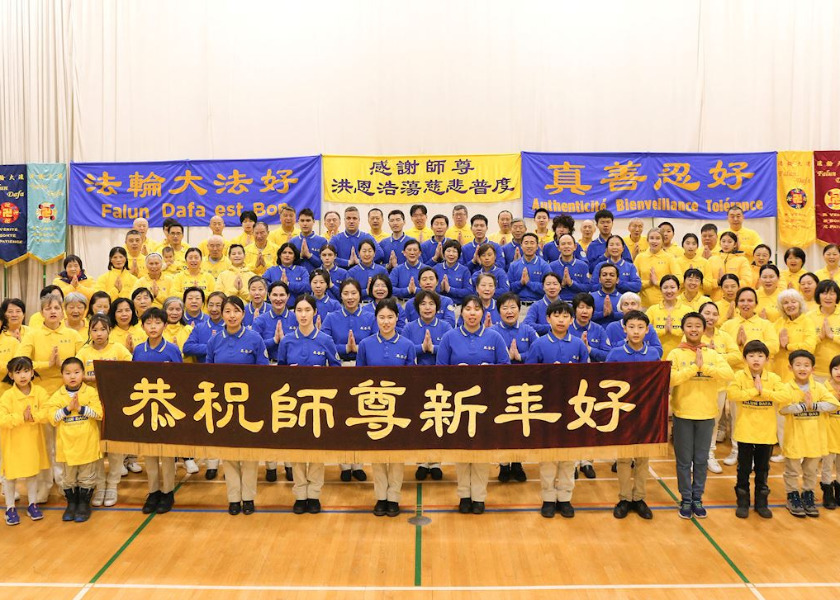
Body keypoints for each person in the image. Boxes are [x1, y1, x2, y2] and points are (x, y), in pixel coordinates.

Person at [437, 295, 510, 514]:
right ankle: (464, 495)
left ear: (483, 313)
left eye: (476, 309)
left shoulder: (494, 337)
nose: (471, 313)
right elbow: (439, 370)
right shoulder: (449, 337)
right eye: (467, 309)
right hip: (458, 404)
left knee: (481, 452)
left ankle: (479, 496)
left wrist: (490, 370)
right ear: (461, 313)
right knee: (462, 453)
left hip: (486, 403)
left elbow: (505, 367)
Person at [277, 294, 341, 514]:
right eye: (299, 311)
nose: (303, 315)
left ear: (315, 313)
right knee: (296, 451)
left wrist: (322, 374)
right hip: (293, 404)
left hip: (318, 404)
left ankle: (314, 494)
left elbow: (336, 369)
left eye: (307, 310)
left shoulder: (325, 340)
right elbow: (280, 372)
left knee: (315, 451)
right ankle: (300, 492)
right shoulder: (286, 340)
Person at [206, 296, 269, 516]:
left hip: (249, 405)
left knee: (249, 454)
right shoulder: (214, 340)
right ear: (221, 314)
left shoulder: (254, 338)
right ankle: (233, 498)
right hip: (223, 406)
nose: (232, 316)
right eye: (227, 311)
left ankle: (248, 497)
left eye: (236, 311)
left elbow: (263, 370)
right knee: (229, 454)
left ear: (243, 314)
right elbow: (208, 373)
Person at [668, 312, 734, 519]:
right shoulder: (675, 354)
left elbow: (728, 374)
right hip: (683, 413)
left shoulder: (712, 354)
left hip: (706, 415)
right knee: (684, 460)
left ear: (704, 329)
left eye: (698, 325)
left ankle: (698, 497)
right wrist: (693, 369)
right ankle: (685, 498)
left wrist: (703, 366)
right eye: (689, 325)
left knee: (701, 459)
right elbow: (670, 380)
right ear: (683, 329)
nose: (694, 329)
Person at [19, 293, 84, 502]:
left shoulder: (73, 335)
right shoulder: (33, 335)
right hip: (41, 396)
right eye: (48, 309)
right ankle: (45, 486)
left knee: (66, 442)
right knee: (46, 445)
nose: (53, 311)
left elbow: (81, 362)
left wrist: (65, 365)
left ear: (62, 311)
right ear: (41, 313)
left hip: (69, 395)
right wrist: (46, 364)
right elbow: (21, 362)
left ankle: (67, 485)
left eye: (57, 307)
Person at [527, 300, 588, 519]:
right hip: (547, 407)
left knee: (568, 456)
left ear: (572, 320)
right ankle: (548, 498)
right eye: (556, 316)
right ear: (548, 319)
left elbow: (586, 376)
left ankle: (565, 497)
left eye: (565, 317)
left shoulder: (579, 345)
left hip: (572, 408)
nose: (561, 320)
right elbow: (529, 376)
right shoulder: (539, 344)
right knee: (548, 456)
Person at [356, 298, 417, 517]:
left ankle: (394, 498)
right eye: (381, 317)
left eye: (390, 317)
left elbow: (412, 380)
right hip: (373, 408)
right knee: (378, 456)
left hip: (398, 409)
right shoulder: (365, 344)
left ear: (397, 318)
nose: (386, 321)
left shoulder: (407, 345)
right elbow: (359, 378)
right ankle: (380, 497)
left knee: (396, 457)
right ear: (376, 319)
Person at [606, 311, 662, 520]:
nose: (636, 331)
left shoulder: (653, 355)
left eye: (640, 327)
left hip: (646, 414)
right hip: (622, 413)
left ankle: (639, 497)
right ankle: (624, 498)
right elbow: (607, 384)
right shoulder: (615, 354)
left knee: (642, 459)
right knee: (623, 459)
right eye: (632, 327)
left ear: (647, 330)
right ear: (625, 329)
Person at [725, 341, 788, 518]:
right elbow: (732, 394)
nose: (756, 359)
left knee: (763, 469)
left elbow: (785, 395)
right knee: (743, 470)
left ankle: (761, 503)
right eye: (751, 355)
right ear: (745, 358)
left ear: (767, 359)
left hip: (766, 434)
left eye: (760, 356)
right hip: (745, 432)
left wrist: (764, 392)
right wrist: (754, 391)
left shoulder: (774, 378)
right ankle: (743, 502)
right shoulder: (739, 376)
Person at [76, 315, 131, 508]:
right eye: (95, 330)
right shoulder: (83, 352)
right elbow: (76, 376)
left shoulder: (118, 349)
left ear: (109, 331)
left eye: (102, 329)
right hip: (91, 407)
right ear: (89, 332)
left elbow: (130, 371)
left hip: (114, 404)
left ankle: (113, 486)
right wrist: (92, 379)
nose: (99, 334)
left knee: (115, 449)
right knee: (96, 449)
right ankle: (99, 486)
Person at [132, 307, 182, 515]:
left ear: (164, 325)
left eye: (157, 323)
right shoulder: (138, 350)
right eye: (149, 323)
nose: (153, 327)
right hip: (146, 408)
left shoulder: (172, 350)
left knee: (167, 453)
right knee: (150, 454)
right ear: (143, 326)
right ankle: (153, 491)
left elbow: (180, 379)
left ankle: (168, 491)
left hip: (167, 408)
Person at [780, 350, 839, 517]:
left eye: (806, 365)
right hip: (795, 438)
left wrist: (814, 405)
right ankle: (792, 496)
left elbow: (833, 404)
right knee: (792, 470)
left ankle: (808, 495)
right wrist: (804, 407)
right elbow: (783, 409)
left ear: (813, 369)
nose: (802, 368)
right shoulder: (786, 387)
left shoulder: (818, 388)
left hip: (814, 439)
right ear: (790, 367)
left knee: (811, 471)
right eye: (798, 365)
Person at [42, 357, 102, 523]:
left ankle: (83, 505)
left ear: (83, 373)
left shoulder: (90, 392)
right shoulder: (57, 396)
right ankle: (72, 504)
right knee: (68, 479)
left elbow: (99, 413)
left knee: (87, 477)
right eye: (68, 373)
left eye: (76, 372)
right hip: (67, 447)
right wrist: (68, 409)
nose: (72, 376)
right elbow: (52, 418)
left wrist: (81, 408)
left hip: (87, 445)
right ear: (62, 375)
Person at [403, 290, 451, 482]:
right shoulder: (409, 328)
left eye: (431, 304)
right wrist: (421, 349)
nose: (427, 307)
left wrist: (434, 349)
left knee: (438, 420)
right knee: (420, 421)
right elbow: (405, 349)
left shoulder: (446, 326)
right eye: (423, 304)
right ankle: (422, 462)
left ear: (437, 307)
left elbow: (449, 349)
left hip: (440, 379)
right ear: (417, 308)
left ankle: (437, 462)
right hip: (417, 379)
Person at [492, 292, 539, 484]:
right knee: (502, 426)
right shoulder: (493, 331)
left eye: (513, 307)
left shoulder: (528, 330)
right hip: (500, 386)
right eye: (505, 308)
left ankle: (518, 463)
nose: (509, 311)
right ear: (498, 312)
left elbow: (538, 353)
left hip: (523, 386)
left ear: (519, 310)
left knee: (520, 426)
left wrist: (520, 357)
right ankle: (503, 465)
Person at [697, 301, 741, 475]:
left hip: (720, 386)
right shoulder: (692, 334)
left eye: (714, 313)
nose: (711, 317)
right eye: (707, 313)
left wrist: (716, 355)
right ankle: (697, 455)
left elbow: (737, 355)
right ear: (699, 314)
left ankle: (709, 453)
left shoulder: (724, 335)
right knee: (700, 421)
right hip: (699, 385)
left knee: (714, 421)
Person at [646, 275, 692, 357]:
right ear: (660, 289)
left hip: (682, 356)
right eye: (665, 287)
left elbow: (693, 332)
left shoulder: (688, 310)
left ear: (678, 289)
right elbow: (644, 332)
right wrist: (664, 330)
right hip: (657, 356)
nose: (669, 291)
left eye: (672, 287)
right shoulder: (652, 310)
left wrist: (673, 331)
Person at [634, 228, 681, 308]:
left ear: (663, 241)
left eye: (658, 238)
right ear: (647, 240)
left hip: (665, 305)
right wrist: (648, 283)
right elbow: (634, 282)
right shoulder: (640, 257)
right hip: (643, 305)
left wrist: (658, 282)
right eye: (652, 238)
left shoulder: (669, 257)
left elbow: (679, 279)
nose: (654, 241)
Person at [253, 281, 298, 359]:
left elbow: (301, 343)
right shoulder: (260, 321)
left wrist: (285, 341)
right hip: (267, 365)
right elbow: (254, 345)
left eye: (282, 295)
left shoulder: (296, 319)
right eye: (275, 295)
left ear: (288, 296)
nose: (278, 299)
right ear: (269, 296)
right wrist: (274, 340)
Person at [706, 232, 752, 301]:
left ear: (735, 244)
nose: (726, 244)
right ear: (720, 243)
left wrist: (730, 285)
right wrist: (718, 282)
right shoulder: (712, 259)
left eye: (729, 242)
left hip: (736, 300)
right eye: (723, 241)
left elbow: (747, 282)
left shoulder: (742, 260)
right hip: (715, 301)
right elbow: (706, 283)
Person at [820, 356, 840, 509]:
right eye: (836, 368)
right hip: (828, 433)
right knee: (827, 465)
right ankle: (827, 493)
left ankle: (838, 491)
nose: (838, 372)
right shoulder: (824, 388)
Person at [508, 233, 550, 302]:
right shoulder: (513, 265)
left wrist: (529, 283)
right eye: (526, 243)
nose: (529, 246)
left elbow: (548, 288)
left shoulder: (544, 265)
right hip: (518, 304)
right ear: (521, 246)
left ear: (537, 246)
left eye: (532, 243)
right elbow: (509, 288)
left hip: (538, 303)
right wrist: (521, 283)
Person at [548, 234, 590, 302]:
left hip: (577, 304)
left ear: (575, 247)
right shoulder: (551, 266)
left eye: (569, 243)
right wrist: (561, 285)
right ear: (559, 248)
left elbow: (587, 288)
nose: (566, 246)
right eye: (563, 244)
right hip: (557, 304)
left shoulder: (583, 265)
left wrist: (571, 283)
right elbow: (547, 288)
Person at [290, 208, 328, 273]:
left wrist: (309, 255)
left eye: (308, 220)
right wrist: (300, 256)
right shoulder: (292, 241)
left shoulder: (322, 241)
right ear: (298, 222)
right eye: (302, 220)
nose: (305, 224)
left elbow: (325, 263)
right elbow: (289, 264)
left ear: (313, 221)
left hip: (316, 279)